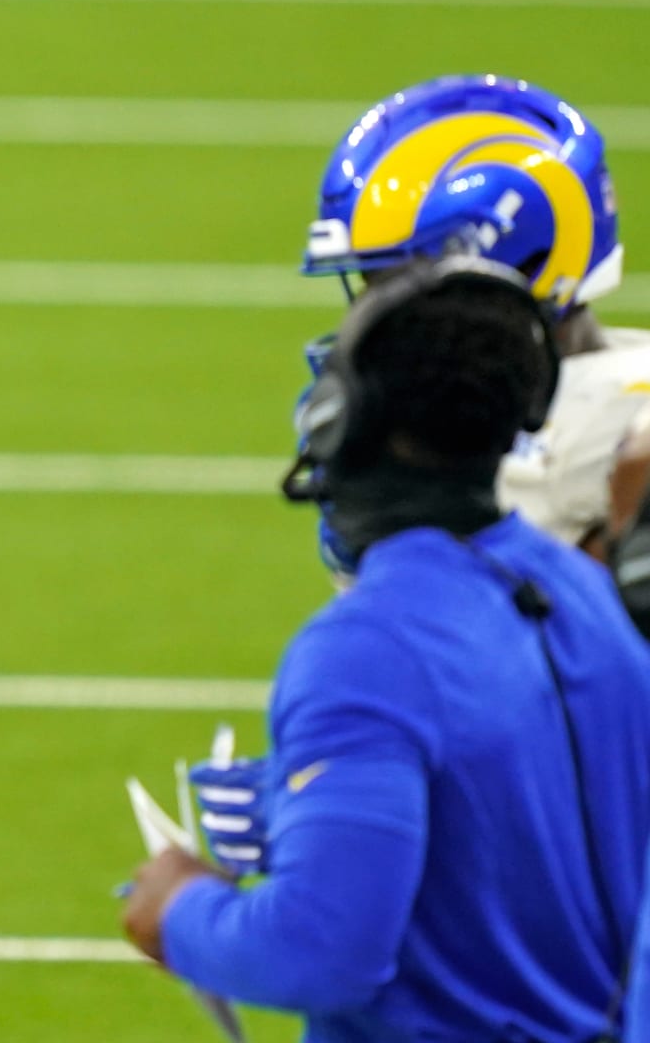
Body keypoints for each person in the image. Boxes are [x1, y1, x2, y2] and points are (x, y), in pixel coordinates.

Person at [122, 256, 650, 1041]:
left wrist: (176, 908)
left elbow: (319, 953)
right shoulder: (588, 597)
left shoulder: (365, 651)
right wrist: (299, 808)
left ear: (346, 419)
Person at [189, 72, 650, 879]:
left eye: (389, 283)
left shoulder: (615, 443)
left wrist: (336, 795)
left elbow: (576, 732)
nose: (365, 318)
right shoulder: (590, 405)